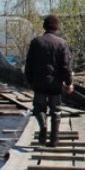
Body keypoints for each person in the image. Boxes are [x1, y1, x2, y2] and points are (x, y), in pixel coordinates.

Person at [24, 15, 74, 146]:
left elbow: (29, 63)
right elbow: (65, 66)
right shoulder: (61, 43)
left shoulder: (36, 42)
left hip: (39, 83)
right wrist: (68, 83)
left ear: (44, 26)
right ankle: (54, 140)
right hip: (55, 84)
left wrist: (29, 80)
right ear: (57, 27)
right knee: (56, 110)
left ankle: (43, 126)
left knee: (39, 108)